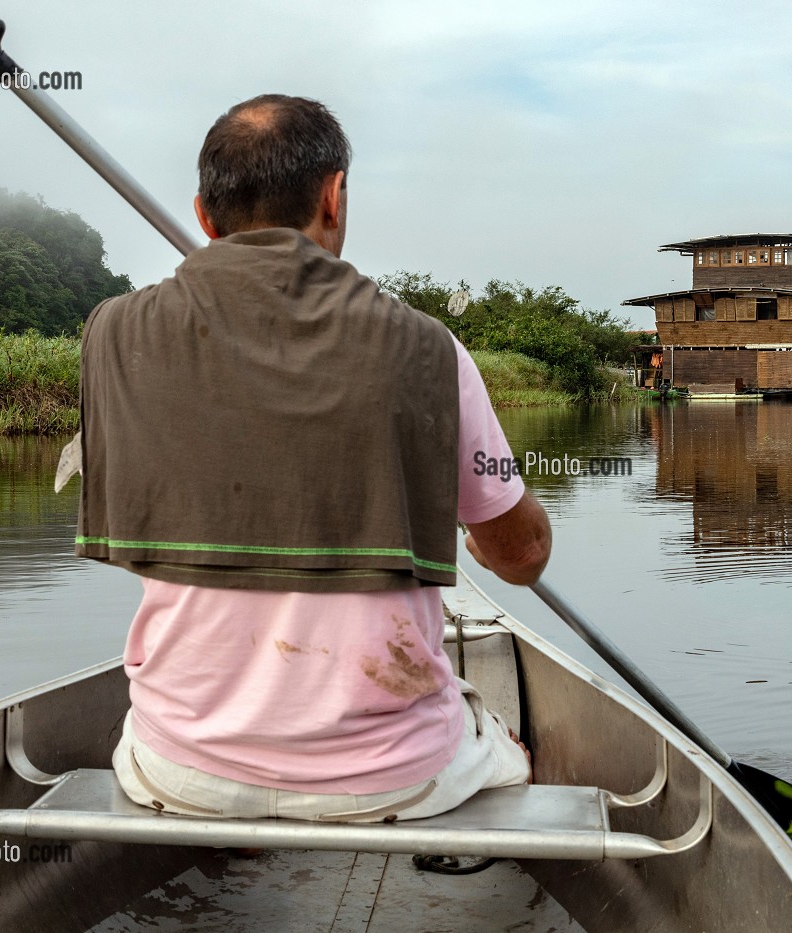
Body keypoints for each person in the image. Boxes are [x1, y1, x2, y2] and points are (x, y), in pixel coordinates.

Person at [75, 94, 551, 822]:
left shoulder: (113, 336)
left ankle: (237, 828)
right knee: (513, 752)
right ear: (333, 197)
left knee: (170, 755)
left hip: (177, 766)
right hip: (394, 775)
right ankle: (496, 753)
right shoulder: (430, 350)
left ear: (205, 216)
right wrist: (500, 549)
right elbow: (523, 554)